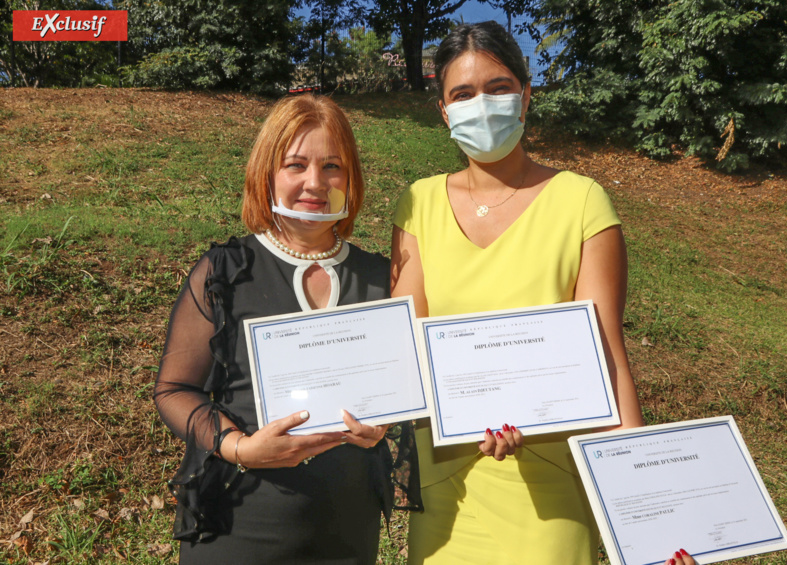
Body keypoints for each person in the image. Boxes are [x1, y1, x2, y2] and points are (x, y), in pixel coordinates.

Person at [391, 21, 684, 565]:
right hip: (448, 492)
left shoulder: (581, 202)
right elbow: (409, 347)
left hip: (550, 489)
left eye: (498, 88)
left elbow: (609, 357)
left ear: (526, 95)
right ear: (444, 112)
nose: (482, 104)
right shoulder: (418, 204)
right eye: (463, 94)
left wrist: (649, 512)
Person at [154, 94, 417, 564]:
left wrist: (384, 424)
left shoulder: (385, 278)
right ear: (267, 173)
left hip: (347, 532)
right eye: (296, 164)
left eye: (332, 166)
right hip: (239, 525)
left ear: (351, 178)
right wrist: (239, 447)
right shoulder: (224, 272)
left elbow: (407, 389)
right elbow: (173, 390)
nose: (315, 182)